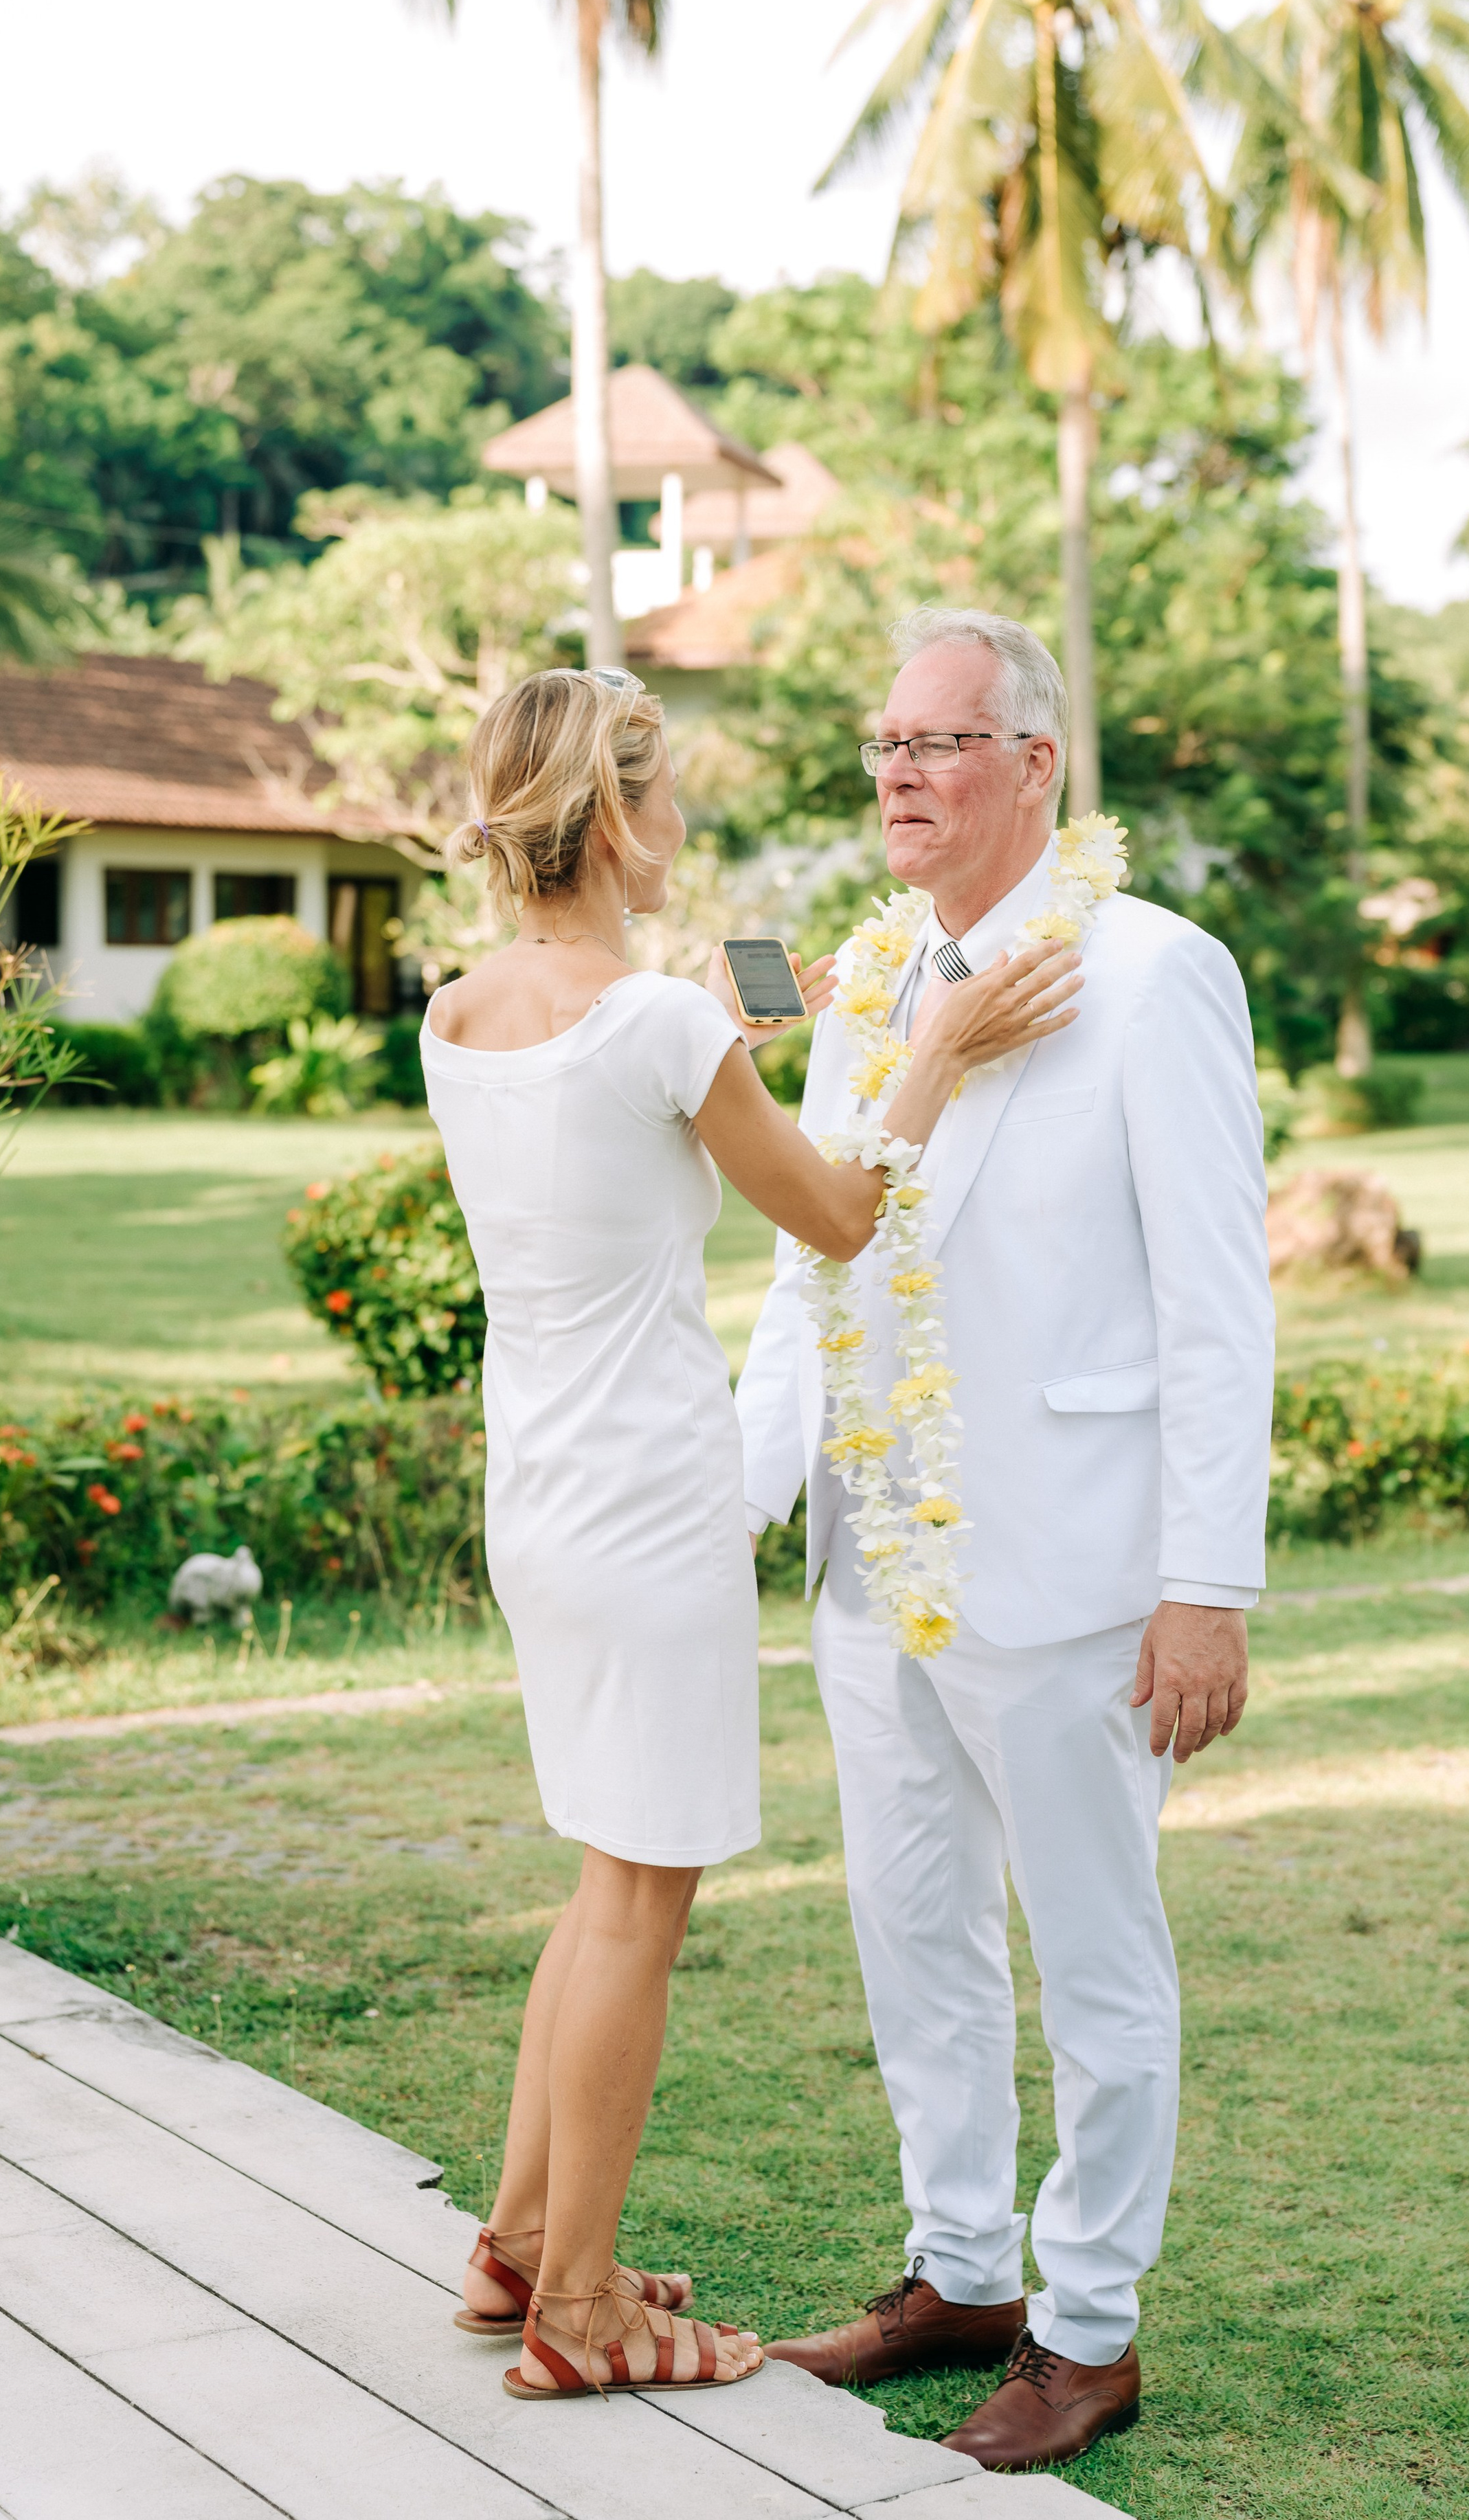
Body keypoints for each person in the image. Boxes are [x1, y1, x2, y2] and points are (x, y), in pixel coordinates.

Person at [420, 663, 1081, 2407]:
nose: (688, 829)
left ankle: (513, 2238)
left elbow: (609, 1099)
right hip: (649, 1505)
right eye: (673, 797)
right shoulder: (658, 1025)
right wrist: (931, 1052)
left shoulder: (465, 1010)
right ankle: (576, 2305)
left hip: (538, 1502)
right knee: (644, 1895)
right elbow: (845, 1214)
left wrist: (712, 1037)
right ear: (618, 814)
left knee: (600, 1870)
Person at [735, 607, 1275, 2473]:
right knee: (914, 1936)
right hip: (871, 1560)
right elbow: (816, 1249)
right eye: (883, 740)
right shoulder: (867, 980)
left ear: (1036, 767)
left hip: (1069, 1567)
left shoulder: (1155, 971)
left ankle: (1091, 2328)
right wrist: (747, 1495)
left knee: (1095, 1954)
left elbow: (1221, 1303)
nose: (899, 771)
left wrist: (1205, 1585)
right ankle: (956, 2270)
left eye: (943, 742)